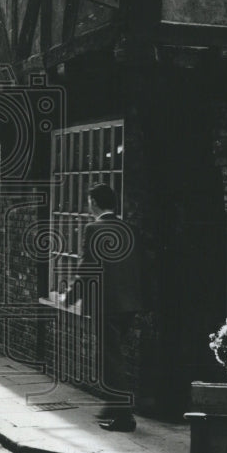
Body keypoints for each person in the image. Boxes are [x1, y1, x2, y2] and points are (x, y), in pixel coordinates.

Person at [72, 183, 143, 432]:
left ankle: (124, 417)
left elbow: (87, 268)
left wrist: (70, 298)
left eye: (89, 201)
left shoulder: (93, 228)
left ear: (94, 202)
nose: (88, 206)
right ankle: (114, 407)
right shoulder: (129, 228)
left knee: (110, 360)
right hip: (129, 304)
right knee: (114, 357)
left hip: (106, 304)